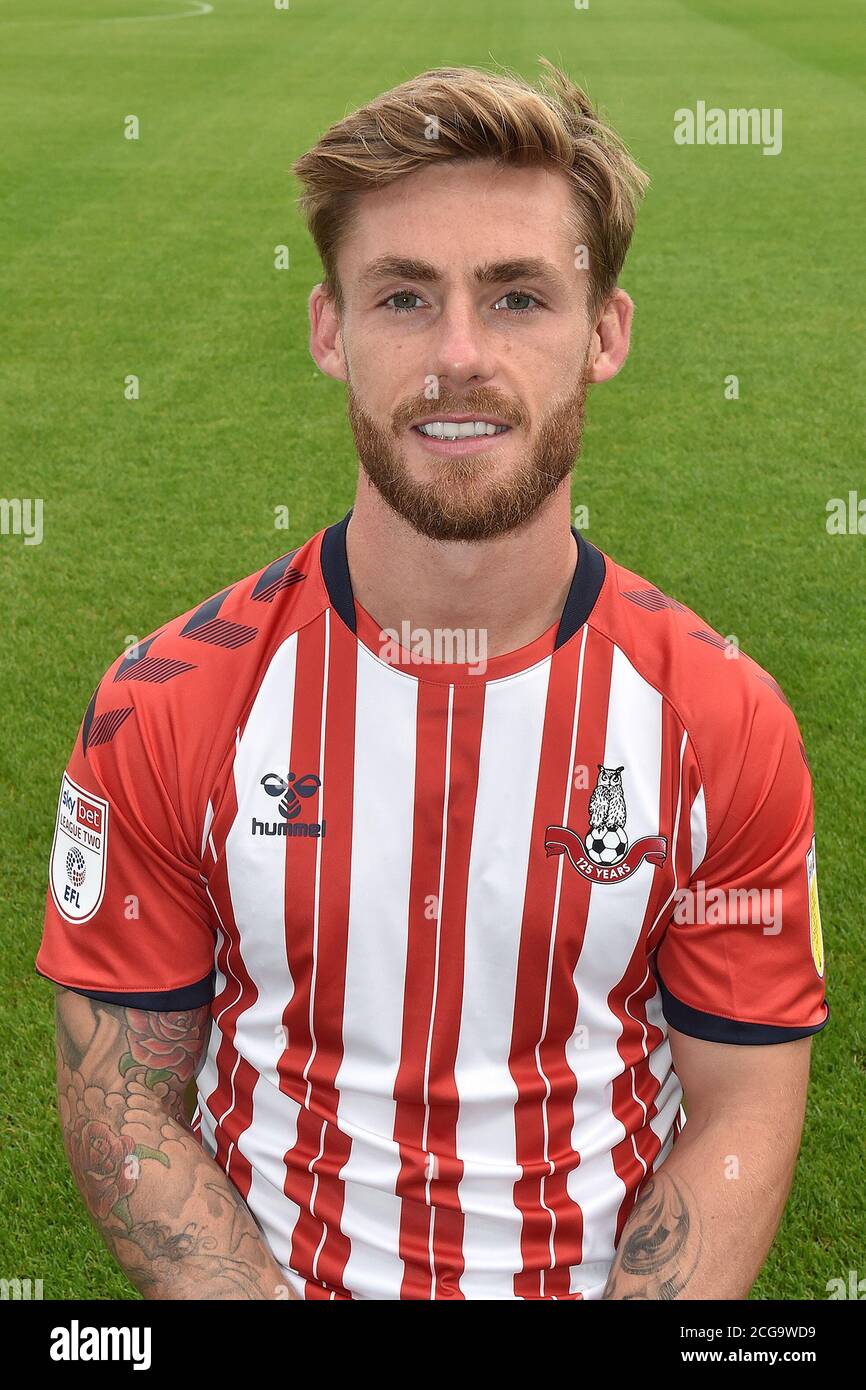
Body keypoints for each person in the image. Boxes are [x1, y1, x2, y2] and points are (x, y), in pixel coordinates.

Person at [37, 60, 827, 1300]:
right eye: (403, 297)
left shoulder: (721, 721)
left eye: (517, 297)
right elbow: (121, 1104)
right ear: (327, 329)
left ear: (605, 331)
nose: (457, 357)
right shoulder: (170, 701)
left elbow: (739, 1109)